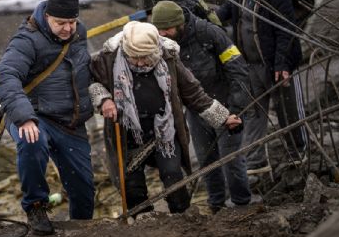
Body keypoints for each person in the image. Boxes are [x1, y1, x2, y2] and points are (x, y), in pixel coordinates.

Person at [89, 21, 242, 214]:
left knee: (173, 176)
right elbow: (93, 82)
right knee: (131, 185)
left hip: (164, 131)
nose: (139, 63)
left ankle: (183, 217)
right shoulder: (108, 58)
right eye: (134, 57)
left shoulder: (168, 58)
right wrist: (104, 100)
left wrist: (223, 118)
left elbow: (193, 93)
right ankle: (143, 223)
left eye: (145, 57)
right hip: (126, 131)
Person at [0, 0, 94, 235]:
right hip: (34, 115)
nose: (68, 28)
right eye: (61, 22)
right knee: (32, 141)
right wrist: (25, 118)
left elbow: (84, 71)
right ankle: (36, 206)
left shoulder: (79, 34)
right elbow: (4, 76)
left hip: (69, 122)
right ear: (47, 15)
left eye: (72, 21)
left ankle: (81, 229)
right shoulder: (27, 39)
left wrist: (103, 98)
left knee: (84, 189)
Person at [151, 0, 252, 213]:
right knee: (207, 161)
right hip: (196, 111)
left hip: (225, 106)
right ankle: (216, 206)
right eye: (159, 30)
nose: (163, 34)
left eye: (167, 29)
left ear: (180, 24)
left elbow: (238, 70)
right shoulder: (163, 43)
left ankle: (242, 206)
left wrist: (236, 108)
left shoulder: (210, 34)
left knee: (231, 159)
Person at [217, 0, 307, 176]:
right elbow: (227, 10)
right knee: (254, 112)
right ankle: (256, 161)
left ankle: (299, 153)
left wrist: (282, 65)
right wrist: (212, 19)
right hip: (251, 65)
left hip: (276, 63)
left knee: (288, 110)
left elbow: (286, 32)